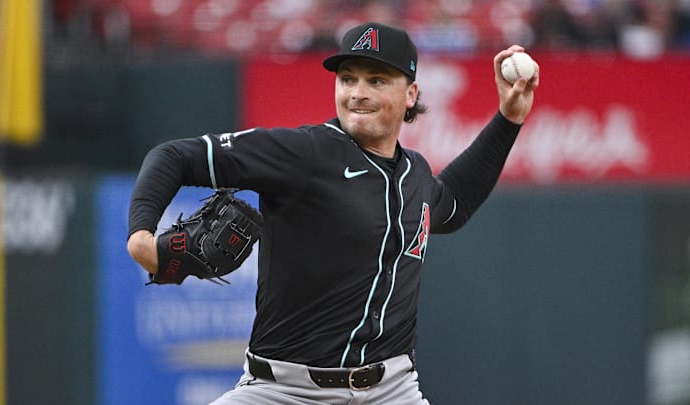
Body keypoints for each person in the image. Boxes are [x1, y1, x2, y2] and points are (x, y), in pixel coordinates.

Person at [127, 22, 539, 405]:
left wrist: (509, 119)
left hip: (391, 390)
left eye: (376, 80)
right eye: (348, 79)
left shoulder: (415, 174)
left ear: (410, 94)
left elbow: (454, 204)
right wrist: (141, 236)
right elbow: (173, 157)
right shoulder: (305, 152)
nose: (357, 92)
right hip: (282, 390)